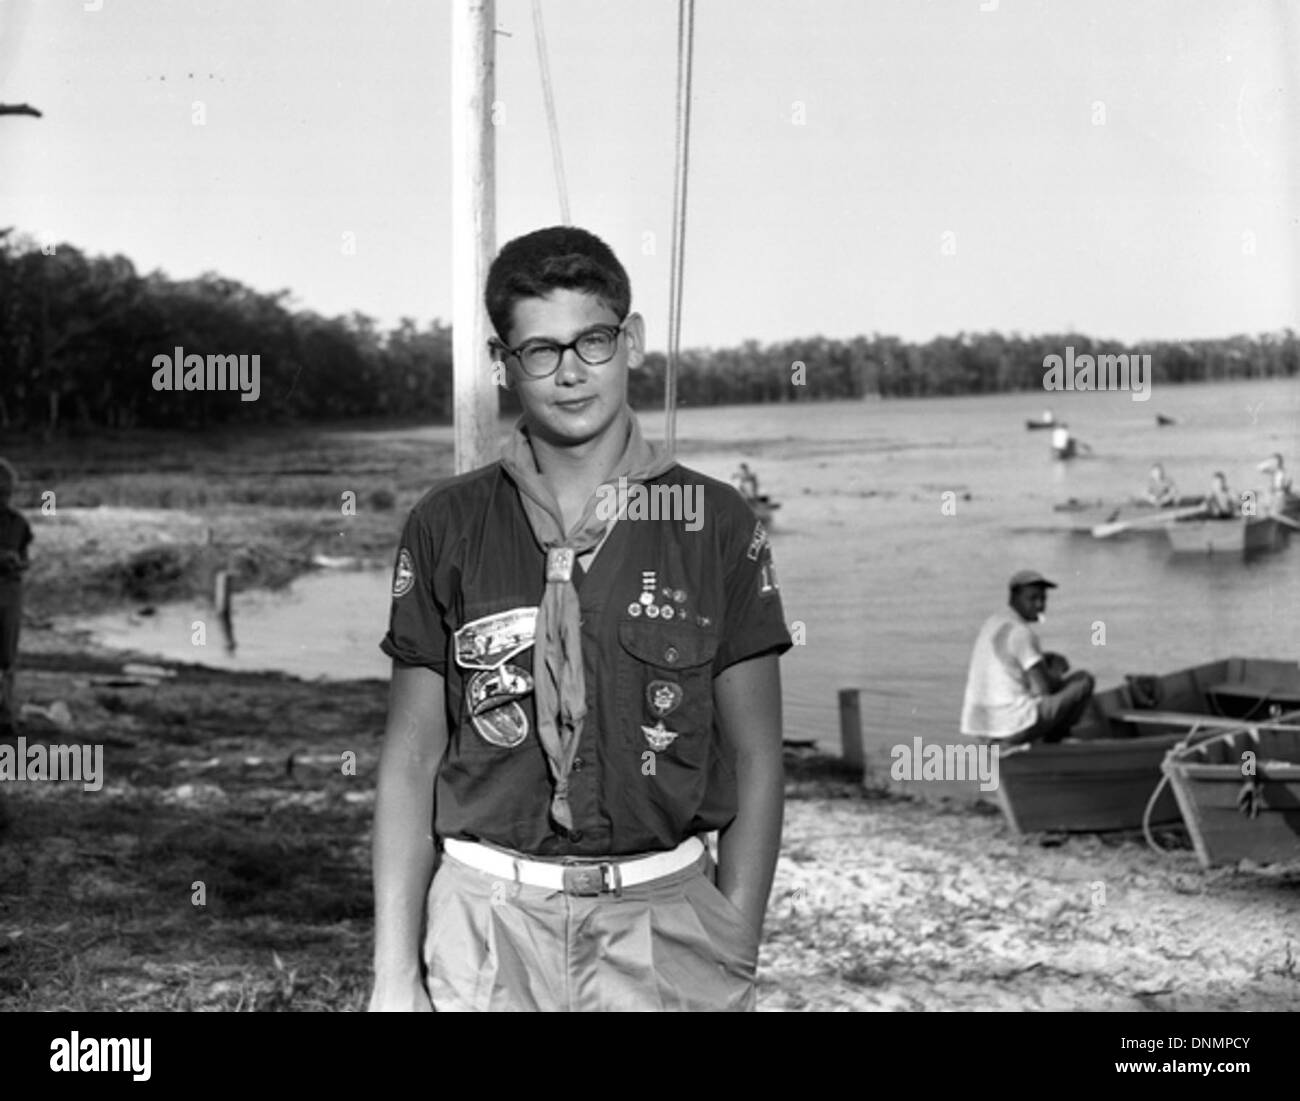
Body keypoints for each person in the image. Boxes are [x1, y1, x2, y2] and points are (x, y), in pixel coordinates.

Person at [369, 226, 792, 1013]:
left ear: (629, 341)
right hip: (485, 921)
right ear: (503, 364)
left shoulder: (715, 521)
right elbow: (411, 754)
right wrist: (393, 974)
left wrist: (736, 935)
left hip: (663, 920)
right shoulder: (448, 523)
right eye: (540, 350)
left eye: (591, 341)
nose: (570, 373)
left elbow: (757, 753)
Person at [960, 570, 1095, 747]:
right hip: (1011, 726)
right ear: (1014, 599)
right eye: (1032, 599)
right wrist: (1055, 672)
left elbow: (1007, 661)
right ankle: (1054, 742)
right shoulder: (1021, 632)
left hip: (981, 726)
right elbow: (1044, 690)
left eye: (1043, 599)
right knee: (1083, 680)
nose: (1040, 605)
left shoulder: (993, 623)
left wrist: (1043, 660)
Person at [0, 459, 34, 738]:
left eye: (7, 493)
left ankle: (6, 712)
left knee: (8, 655)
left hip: (10, 591)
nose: (3, 498)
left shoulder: (18, 523)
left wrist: (19, 563)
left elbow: (25, 557)